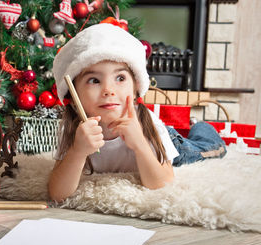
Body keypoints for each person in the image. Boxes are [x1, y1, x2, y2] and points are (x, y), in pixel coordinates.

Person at [49, 23, 226, 202]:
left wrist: (140, 144)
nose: (109, 90)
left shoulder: (145, 122)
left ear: (136, 89)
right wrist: (77, 152)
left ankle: (202, 127)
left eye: (120, 78)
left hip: (169, 142)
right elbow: (57, 194)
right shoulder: (75, 129)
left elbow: (162, 183)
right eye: (94, 80)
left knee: (204, 151)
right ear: (73, 97)